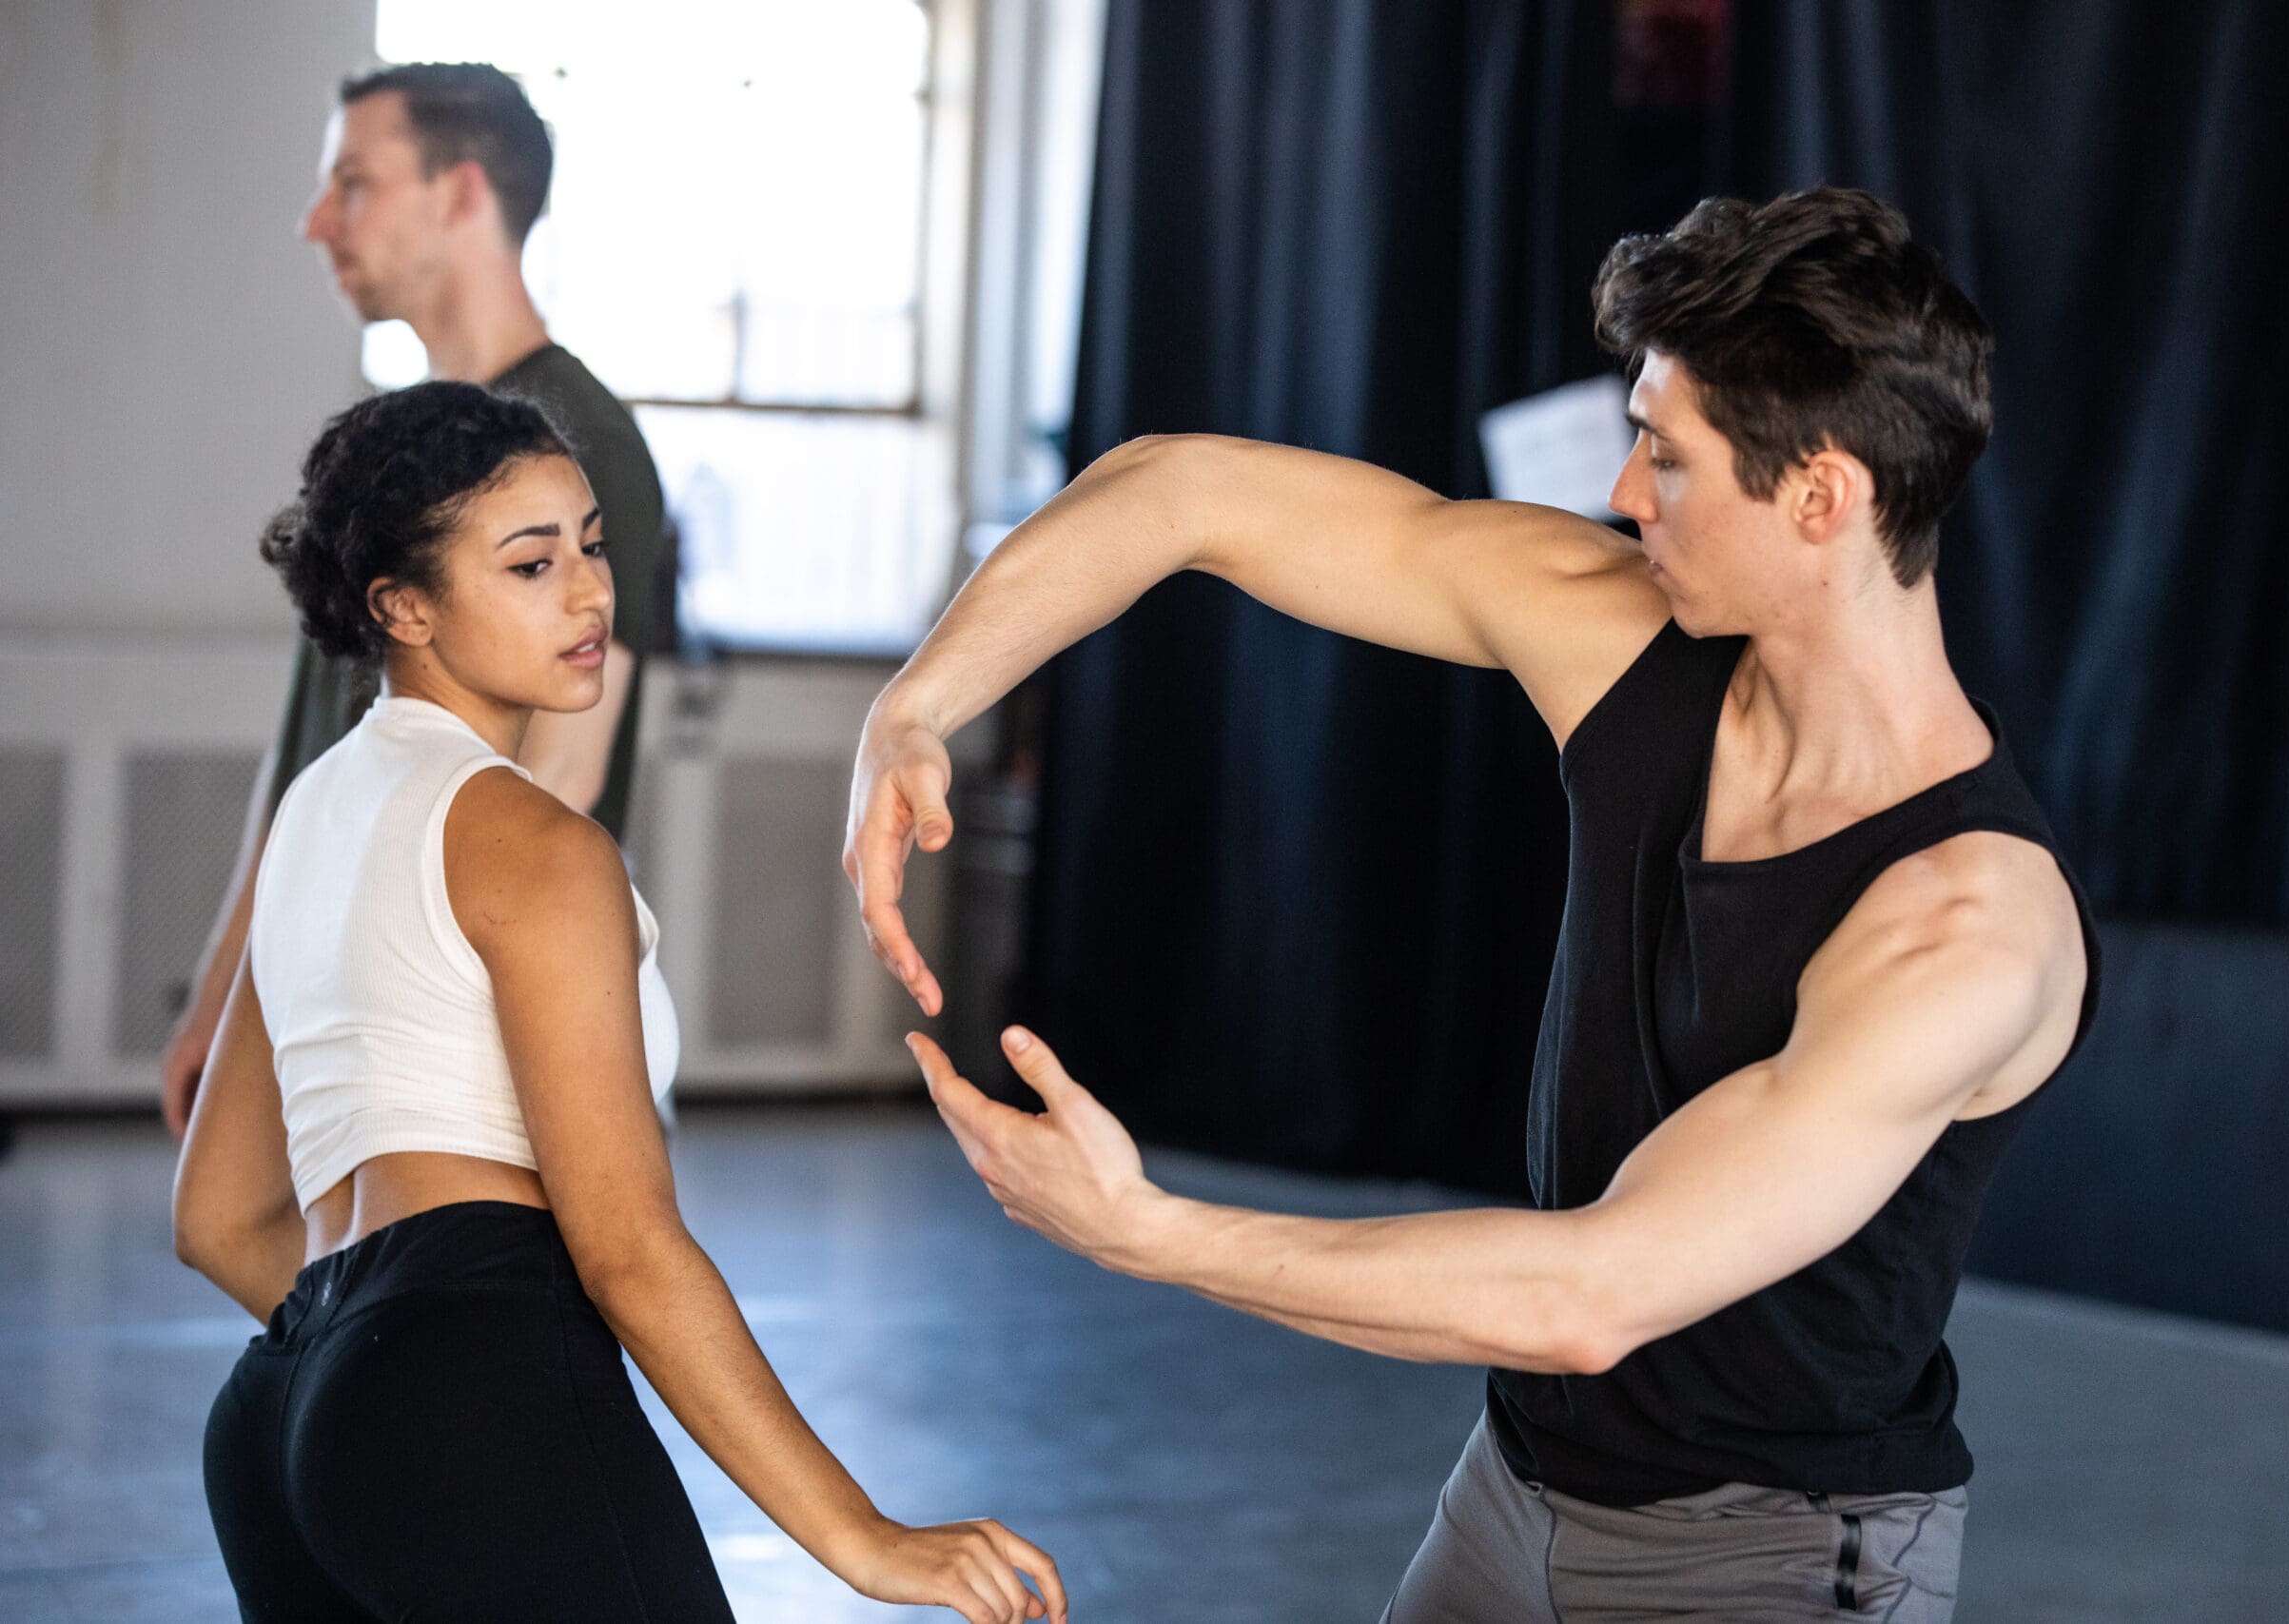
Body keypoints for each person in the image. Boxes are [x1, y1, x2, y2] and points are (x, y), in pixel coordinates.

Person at [848, 188, 2099, 1622]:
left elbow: (1590, 1295)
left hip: (1774, 1553)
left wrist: (1147, 1229)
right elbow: (1180, 489)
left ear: (1820, 495)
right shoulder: (1625, 641)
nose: (1625, 491)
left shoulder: (1965, 926)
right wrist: (915, 708)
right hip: (1517, 1487)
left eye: (1667, 455)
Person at [172, 382, 1065, 1624]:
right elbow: (628, 1248)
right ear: (401, 605)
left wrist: (358, 1378)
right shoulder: (536, 845)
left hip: (277, 1419)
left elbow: (215, 1219)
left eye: (592, 545)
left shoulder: (309, 815)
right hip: (465, 1376)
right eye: (531, 563)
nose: (591, 592)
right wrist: (860, 1537)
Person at [161, 62, 666, 1138]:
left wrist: (356, 1037)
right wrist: (229, 990)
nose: (316, 222)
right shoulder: (394, 448)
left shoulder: (577, 443)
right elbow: (307, 755)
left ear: (462, 192)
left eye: (354, 183)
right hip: (329, 1015)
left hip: (431, 1055)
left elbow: (554, 784)